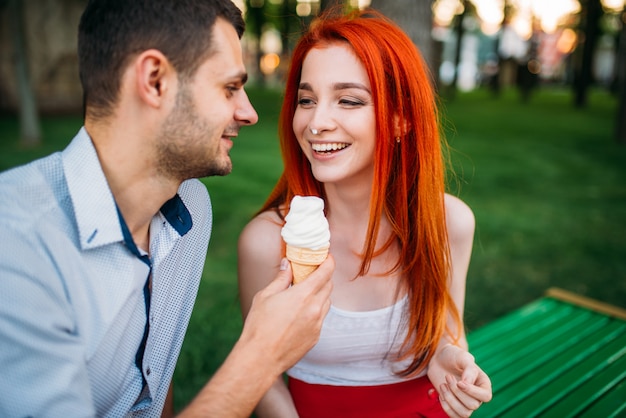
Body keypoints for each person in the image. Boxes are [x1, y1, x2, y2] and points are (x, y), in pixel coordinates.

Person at [0, 1, 334, 417]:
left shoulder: (190, 210)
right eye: (230, 88)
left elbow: (154, 386)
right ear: (155, 80)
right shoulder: (16, 246)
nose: (248, 113)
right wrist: (262, 355)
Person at [238, 9, 492, 418]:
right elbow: (259, 375)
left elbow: (448, 333)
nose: (316, 122)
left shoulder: (449, 223)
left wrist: (446, 358)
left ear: (401, 118)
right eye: (307, 100)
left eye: (349, 100)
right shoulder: (267, 240)